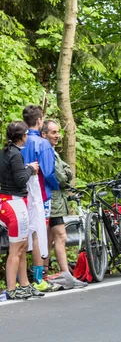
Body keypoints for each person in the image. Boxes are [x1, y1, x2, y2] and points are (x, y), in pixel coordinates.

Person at [41, 120, 87, 289]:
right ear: (44, 134)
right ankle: (66, 275)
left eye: (58, 132)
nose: (57, 135)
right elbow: (61, 177)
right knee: (60, 235)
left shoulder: (53, 152)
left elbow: (67, 171)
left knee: (50, 237)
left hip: (54, 200)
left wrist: (66, 174)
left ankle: (45, 275)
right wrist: (65, 176)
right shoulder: (47, 151)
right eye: (53, 132)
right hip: (52, 199)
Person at [0, 121, 43, 299]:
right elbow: (20, 180)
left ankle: (24, 283)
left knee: (23, 246)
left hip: (8, 201)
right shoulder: (16, 155)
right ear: (22, 136)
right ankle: (11, 288)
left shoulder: (5, 152)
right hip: (14, 203)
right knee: (16, 248)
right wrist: (30, 169)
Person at [21, 105, 60, 292]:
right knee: (38, 234)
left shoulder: (19, 140)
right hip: (41, 194)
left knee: (21, 235)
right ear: (39, 121)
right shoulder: (42, 143)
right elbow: (48, 172)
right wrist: (57, 186)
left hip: (20, 193)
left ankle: (22, 279)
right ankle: (38, 277)